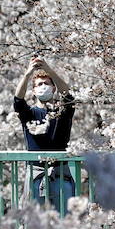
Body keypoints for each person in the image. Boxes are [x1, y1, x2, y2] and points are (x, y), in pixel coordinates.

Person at [13, 57, 76, 210]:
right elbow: (18, 100)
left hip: (60, 173)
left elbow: (68, 97)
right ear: (33, 91)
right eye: (39, 84)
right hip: (36, 173)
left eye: (46, 83)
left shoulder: (62, 112)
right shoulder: (29, 113)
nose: (43, 86)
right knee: (36, 222)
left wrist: (49, 70)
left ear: (53, 88)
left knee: (65, 220)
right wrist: (27, 74)